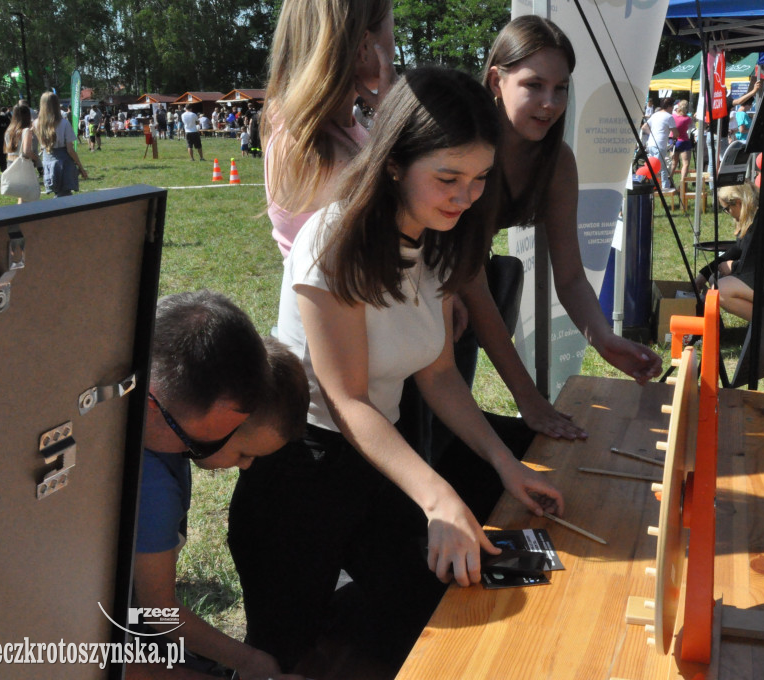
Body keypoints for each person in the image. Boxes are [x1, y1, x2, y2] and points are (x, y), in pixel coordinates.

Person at [228, 67, 564, 676]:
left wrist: (503, 462)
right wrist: (439, 496)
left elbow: (438, 375)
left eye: (480, 179)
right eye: (448, 178)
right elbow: (348, 400)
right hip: (298, 474)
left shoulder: (436, 240)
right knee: (284, 656)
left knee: (409, 627)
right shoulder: (331, 245)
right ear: (391, 164)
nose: (466, 196)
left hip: (377, 459)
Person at [454, 14, 662, 444]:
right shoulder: (466, 146)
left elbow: (569, 275)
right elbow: (472, 287)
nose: (550, 102)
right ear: (496, 81)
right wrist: (528, 398)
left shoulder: (557, 162)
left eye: (561, 88)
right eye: (534, 85)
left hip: (455, 302)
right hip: (414, 297)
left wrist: (604, 339)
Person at [128, 291, 304, 680]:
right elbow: (154, 611)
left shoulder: (167, 440)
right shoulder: (154, 486)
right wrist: (250, 661)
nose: (246, 466)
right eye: (242, 453)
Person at [262, 0, 396, 259]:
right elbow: (401, 242)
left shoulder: (288, 120)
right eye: (393, 28)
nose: (394, 42)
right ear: (365, 46)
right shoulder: (328, 154)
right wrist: (395, 114)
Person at [694, 182, 759, 321]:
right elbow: (738, 249)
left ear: (738, 203)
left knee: (718, 291)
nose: (727, 213)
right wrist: (705, 273)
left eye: (726, 209)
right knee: (714, 278)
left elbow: (761, 261)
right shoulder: (753, 218)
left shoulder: (760, 223)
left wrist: (733, 266)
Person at [33, 92, 88, 197]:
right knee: (65, 196)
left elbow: (41, 145)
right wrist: (80, 167)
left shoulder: (36, 123)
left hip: (47, 159)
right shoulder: (64, 123)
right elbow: (70, 150)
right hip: (64, 161)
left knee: (59, 193)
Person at [1, 104, 40, 202]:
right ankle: (24, 215)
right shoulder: (26, 130)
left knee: (22, 194)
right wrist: (36, 158)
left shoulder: (9, 130)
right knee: (28, 194)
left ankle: (22, 214)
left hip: (10, 162)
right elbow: (26, 151)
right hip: (22, 163)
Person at [643, 96, 676, 190]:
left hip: (651, 144)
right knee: (656, 168)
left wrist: (652, 134)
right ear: (669, 106)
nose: (673, 109)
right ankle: (653, 187)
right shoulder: (669, 117)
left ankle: (666, 186)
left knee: (663, 166)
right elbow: (676, 133)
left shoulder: (655, 115)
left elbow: (644, 127)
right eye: (672, 106)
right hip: (660, 145)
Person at [670, 100, 694, 181]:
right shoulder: (687, 119)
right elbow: (692, 127)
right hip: (684, 141)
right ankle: (682, 184)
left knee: (673, 163)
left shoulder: (672, 116)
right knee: (686, 164)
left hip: (673, 141)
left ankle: (669, 180)